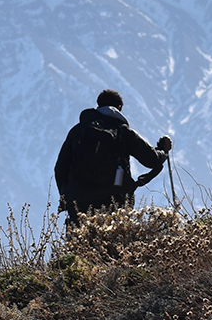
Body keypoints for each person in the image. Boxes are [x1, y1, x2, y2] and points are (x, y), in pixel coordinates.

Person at [54, 89, 172, 224]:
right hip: (114, 200)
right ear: (120, 108)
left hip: (79, 203)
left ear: (98, 105)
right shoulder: (122, 131)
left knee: (80, 242)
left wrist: (67, 197)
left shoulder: (78, 131)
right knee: (113, 243)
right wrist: (163, 150)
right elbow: (152, 159)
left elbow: (60, 168)